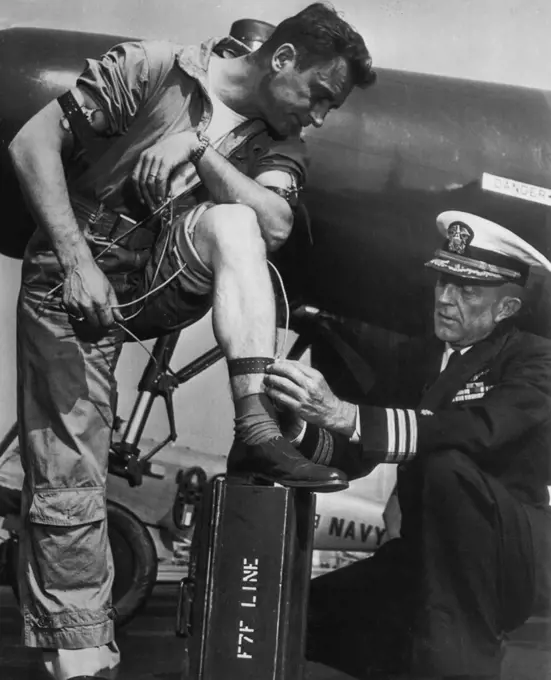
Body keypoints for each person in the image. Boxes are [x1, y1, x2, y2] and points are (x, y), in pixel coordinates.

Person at [9, 4, 375, 678]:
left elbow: (271, 225)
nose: (319, 116)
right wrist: (76, 262)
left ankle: (256, 422)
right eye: (319, 95)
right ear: (283, 59)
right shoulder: (150, 68)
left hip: (156, 277)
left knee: (237, 224)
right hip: (74, 282)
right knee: (70, 472)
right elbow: (30, 145)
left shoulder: (277, 139)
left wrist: (200, 152)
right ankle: (80, 659)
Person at [264, 210, 551, 680]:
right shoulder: (415, 357)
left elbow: (481, 428)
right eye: (442, 283)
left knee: (447, 468)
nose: (445, 298)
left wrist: (347, 414)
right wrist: (299, 427)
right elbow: (359, 445)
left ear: (506, 310)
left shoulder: (535, 359)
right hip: (424, 550)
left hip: (506, 549)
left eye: (467, 290)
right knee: (300, 616)